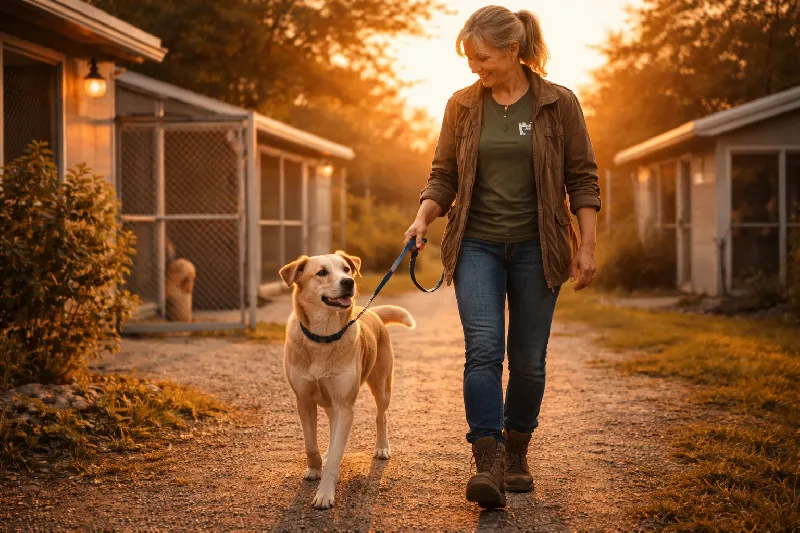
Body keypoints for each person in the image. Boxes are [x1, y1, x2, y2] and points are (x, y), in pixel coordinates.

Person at [403, 6, 601, 509]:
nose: (475, 66)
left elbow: (582, 178)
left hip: (540, 246)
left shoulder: (560, 103)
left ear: (513, 51)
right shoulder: (462, 105)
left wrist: (588, 244)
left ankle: (517, 451)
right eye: (469, 58)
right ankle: (487, 460)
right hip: (477, 244)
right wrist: (423, 218)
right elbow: (443, 173)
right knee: (485, 350)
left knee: (529, 361)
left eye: (482, 57)